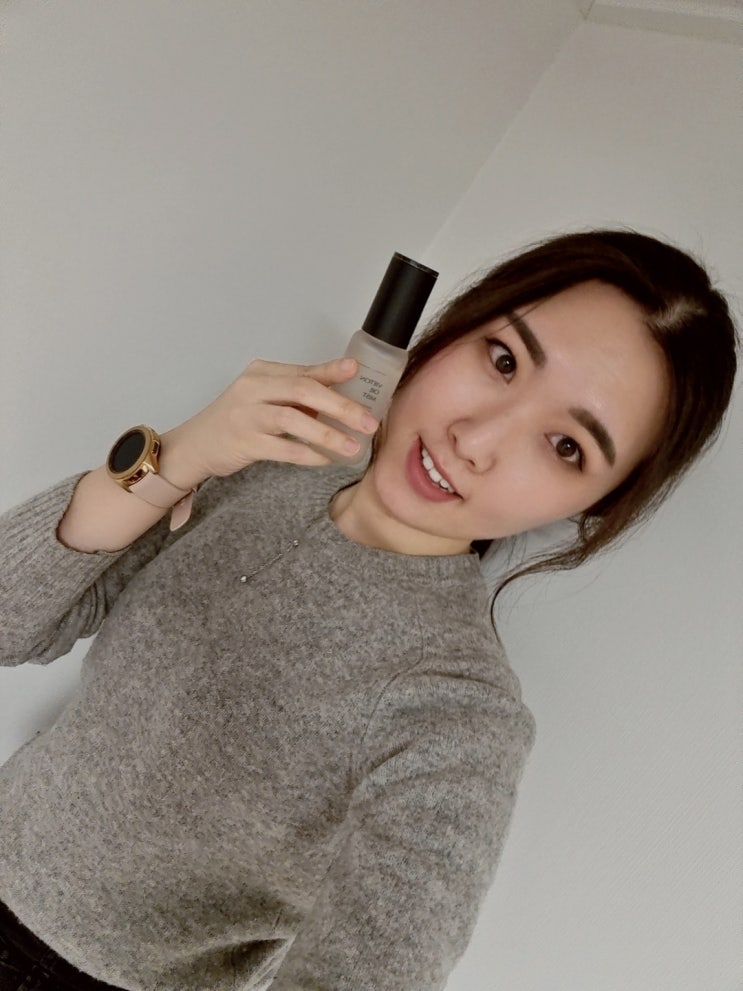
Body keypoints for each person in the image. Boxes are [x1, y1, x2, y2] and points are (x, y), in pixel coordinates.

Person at [0, 228, 738, 991]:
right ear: (454, 328)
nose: (476, 439)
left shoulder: (459, 709)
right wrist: (182, 451)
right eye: (503, 360)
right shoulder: (271, 466)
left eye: (564, 445)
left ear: (594, 505)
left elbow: (376, 965)